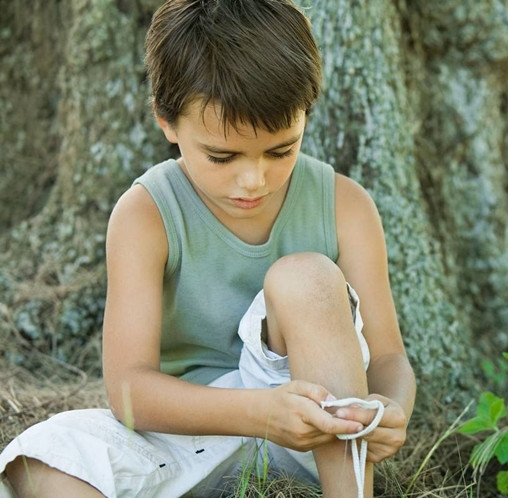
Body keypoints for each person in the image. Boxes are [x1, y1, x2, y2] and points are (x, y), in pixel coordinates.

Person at [0, 0, 416, 496]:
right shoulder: (146, 214)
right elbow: (129, 389)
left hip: (315, 433)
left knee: (305, 277)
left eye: (282, 150)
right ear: (167, 123)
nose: (253, 179)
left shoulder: (343, 205)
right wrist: (259, 414)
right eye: (222, 155)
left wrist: (391, 409)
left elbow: (389, 356)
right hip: (187, 436)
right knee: (38, 461)